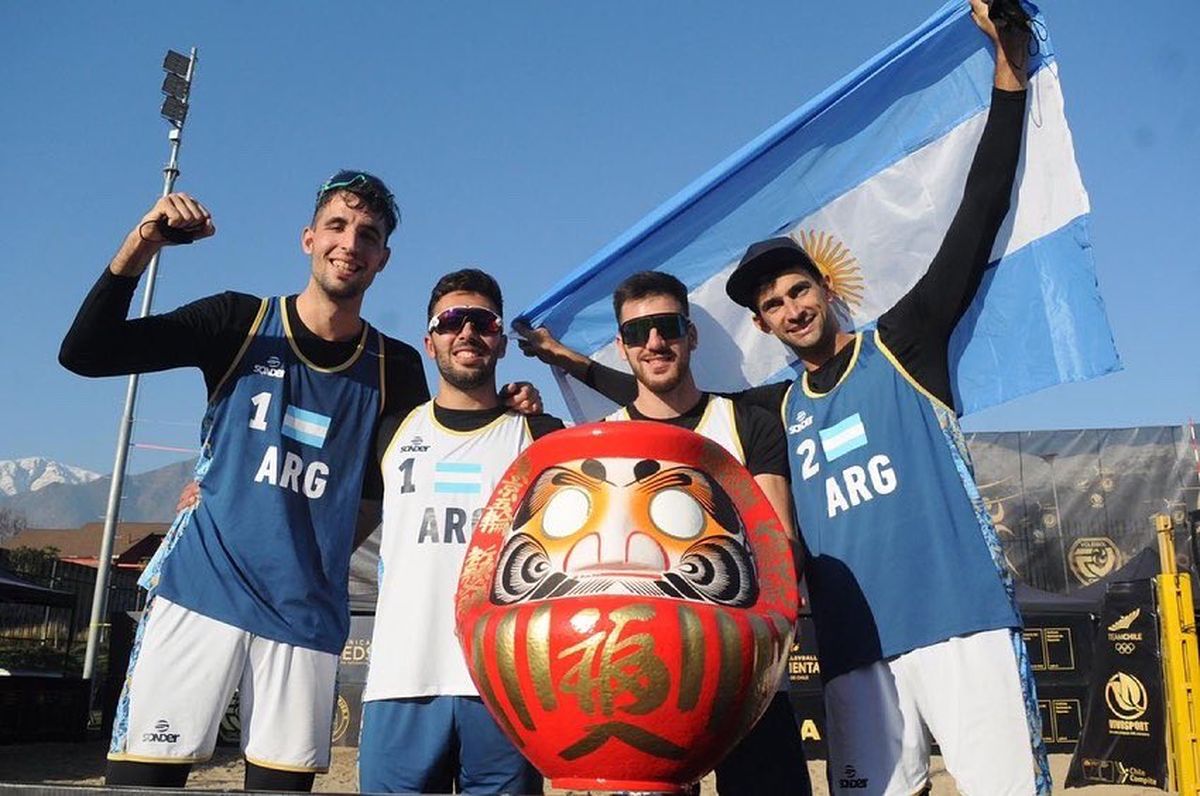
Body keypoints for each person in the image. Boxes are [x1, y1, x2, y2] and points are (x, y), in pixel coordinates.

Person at [517, 3, 1050, 792]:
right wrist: (570, 361)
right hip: (853, 652)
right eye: (771, 305)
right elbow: (665, 397)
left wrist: (1008, 81)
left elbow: (976, 219)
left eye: (799, 290)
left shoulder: (907, 347)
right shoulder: (773, 411)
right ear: (762, 324)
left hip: (959, 625)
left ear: (825, 290)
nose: (790, 309)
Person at [60, 173, 534, 791]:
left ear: (383, 259)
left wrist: (511, 405)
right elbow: (86, 353)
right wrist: (143, 245)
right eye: (337, 226)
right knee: (144, 783)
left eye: (368, 234)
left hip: (306, 614)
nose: (350, 243)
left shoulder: (395, 365)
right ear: (308, 238)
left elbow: (396, 480)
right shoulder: (239, 320)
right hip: (201, 594)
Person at [520, 270, 811, 796]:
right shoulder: (603, 441)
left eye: (666, 327)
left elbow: (779, 550)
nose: (654, 342)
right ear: (622, 347)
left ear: (691, 334)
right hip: (640, 685)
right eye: (637, 333)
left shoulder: (748, 423)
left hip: (745, 681)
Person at [359, 269, 563, 794]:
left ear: (500, 340)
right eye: (451, 321)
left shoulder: (543, 435)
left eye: (482, 321)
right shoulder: (391, 429)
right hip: (401, 680)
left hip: (506, 687)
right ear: (430, 343)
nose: (466, 332)